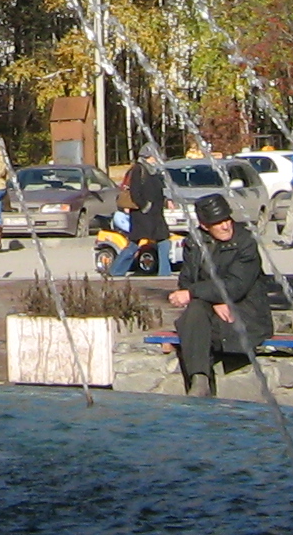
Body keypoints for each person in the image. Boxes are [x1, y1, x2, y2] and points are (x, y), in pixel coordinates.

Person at [170, 193, 275, 396]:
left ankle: (200, 381)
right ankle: (200, 380)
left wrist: (198, 293)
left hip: (245, 314)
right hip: (211, 311)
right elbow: (186, 281)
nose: (226, 226)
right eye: (218, 223)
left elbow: (236, 286)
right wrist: (214, 300)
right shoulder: (195, 242)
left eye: (227, 219)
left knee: (195, 317)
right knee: (196, 310)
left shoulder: (245, 242)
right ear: (204, 225)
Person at [112, 151, 170, 277]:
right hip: (142, 215)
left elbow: (159, 190)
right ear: (148, 157)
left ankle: (165, 273)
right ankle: (115, 271)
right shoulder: (138, 170)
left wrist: (166, 201)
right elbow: (135, 192)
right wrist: (144, 206)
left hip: (155, 214)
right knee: (134, 244)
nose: (157, 159)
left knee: (164, 241)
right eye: (155, 157)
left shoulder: (154, 171)